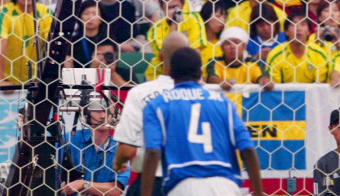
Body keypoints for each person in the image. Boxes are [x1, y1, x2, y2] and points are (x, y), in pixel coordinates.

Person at [141, 47, 264, 196]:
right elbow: (248, 150)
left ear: (171, 73)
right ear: (200, 73)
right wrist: (258, 192)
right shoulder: (224, 103)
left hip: (184, 186)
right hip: (226, 186)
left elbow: (153, 152)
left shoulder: (157, 105)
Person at [112, 32, 189, 196]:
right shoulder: (205, 95)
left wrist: (118, 162)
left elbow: (127, 149)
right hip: (191, 182)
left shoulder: (140, 93)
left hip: (152, 182)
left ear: (160, 57)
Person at [60, 91, 129, 196]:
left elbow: (116, 190)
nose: (102, 116)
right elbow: (53, 176)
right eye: (97, 110)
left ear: (114, 114)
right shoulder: (69, 140)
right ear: (86, 112)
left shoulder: (119, 148)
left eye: (107, 111)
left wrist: (84, 185)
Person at [0, 0, 53, 86]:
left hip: (35, 76)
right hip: (6, 74)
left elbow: (51, 44)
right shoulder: (3, 13)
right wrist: (0, 80)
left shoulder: (46, 13)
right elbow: (1, 46)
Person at [145, 0, 206, 80]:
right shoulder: (155, 29)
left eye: (176, 7)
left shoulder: (194, 19)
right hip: (160, 75)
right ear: (162, 9)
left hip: (188, 73)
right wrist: (173, 24)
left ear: (183, 4)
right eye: (169, 8)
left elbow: (196, 52)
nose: (173, 11)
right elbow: (167, 56)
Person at [266, 11, 330, 83]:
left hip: (311, 94)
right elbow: (274, 89)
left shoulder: (319, 54)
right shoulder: (275, 55)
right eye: (293, 24)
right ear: (286, 31)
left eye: (303, 24)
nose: (298, 28)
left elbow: (320, 88)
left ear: (309, 31)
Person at [206, 26, 274, 90]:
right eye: (227, 43)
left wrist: (265, 81)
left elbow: (261, 77)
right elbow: (212, 77)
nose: (232, 47)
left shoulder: (252, 63)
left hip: (246, 102)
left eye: (236, 42)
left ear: (244, 46)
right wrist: (220, 82)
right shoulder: (215, 62)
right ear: (222, 48)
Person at [67, 0, 108, 68]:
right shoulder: (72, 42)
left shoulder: (107, 41)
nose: (90, 18)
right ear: (80, 17)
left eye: (95, 14)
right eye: (86, 13)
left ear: (102, 18)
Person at [200, 1, 226, 69]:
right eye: (218, 16)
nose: (222, 21)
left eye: (224, 17)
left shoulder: (222, 45)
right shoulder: (196, 44)